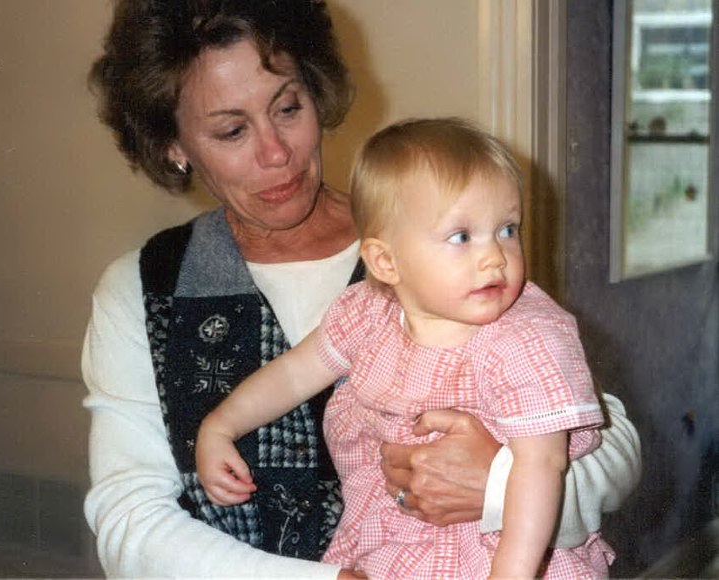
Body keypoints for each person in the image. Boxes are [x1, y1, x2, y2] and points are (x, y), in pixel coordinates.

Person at [82, 1, 641, 578]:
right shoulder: (146, 288)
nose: (276, 152)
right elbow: (129, 521)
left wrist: (496, 483)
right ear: (174, 145)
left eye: (288, 108)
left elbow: (613, 452)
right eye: (232, 130)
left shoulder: (443, 249)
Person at [195, 118, 614, 579]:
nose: (495, 256)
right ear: (385, 261)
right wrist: (221, 426)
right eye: (462, 236)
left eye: (507, 229)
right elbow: (294, 374)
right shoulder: (366, 313)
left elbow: (542, 467)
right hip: (393, 544)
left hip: (505, 550)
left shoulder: (527, 338)